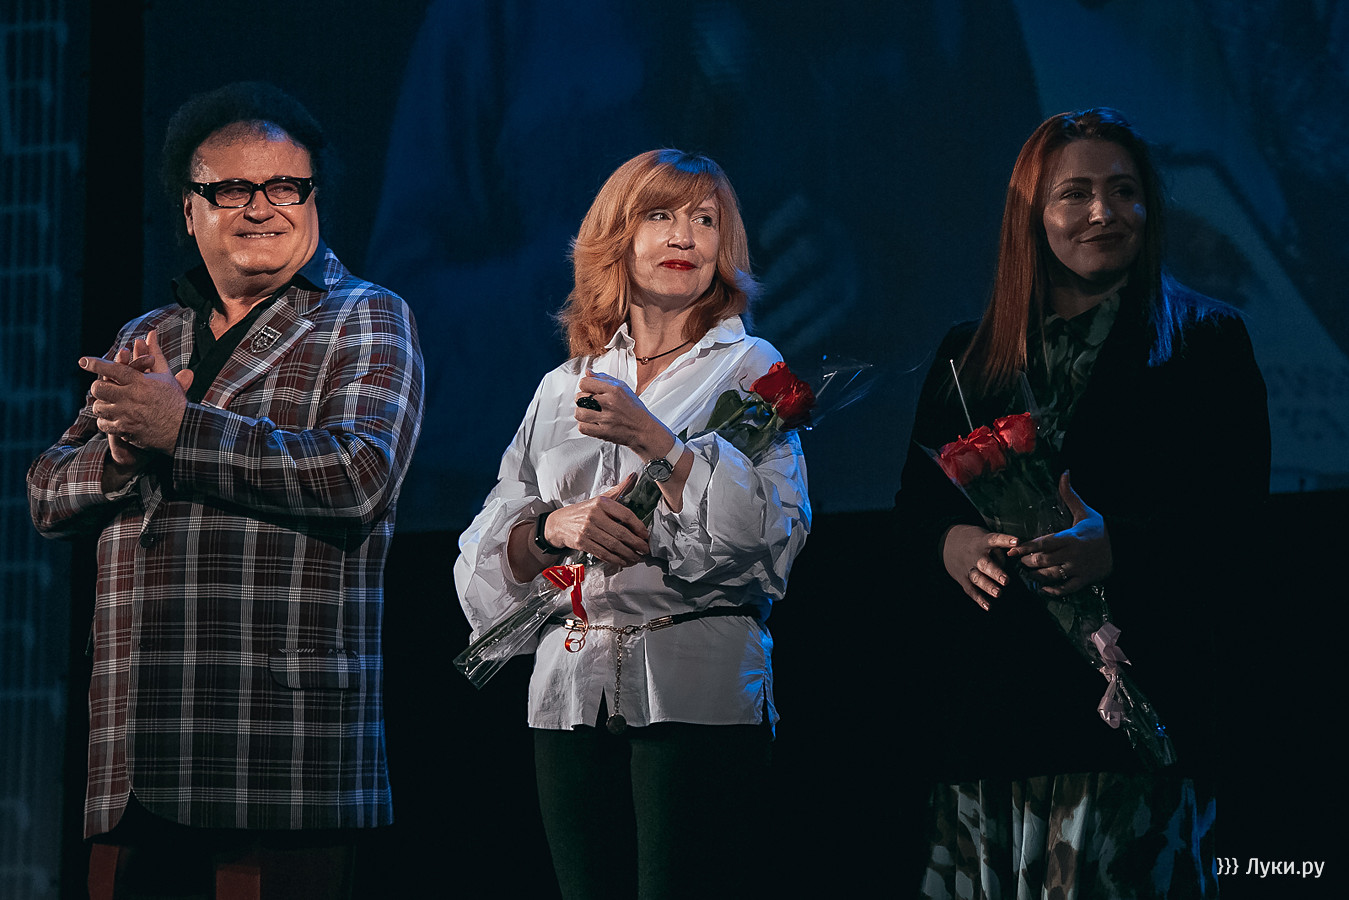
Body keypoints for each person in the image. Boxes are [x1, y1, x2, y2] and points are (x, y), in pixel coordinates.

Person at [28, 82, 424, 899]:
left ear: (312, 198)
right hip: (137, 739)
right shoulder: (150, 335)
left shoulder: (364, 316)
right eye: (233, 189)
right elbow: (47, 492)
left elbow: (357, 476)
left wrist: (179, 430)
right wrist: (122, 458)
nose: (262, 208)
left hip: (277, 735)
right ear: (189, 210)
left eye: (286, 186)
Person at [893, 108, 1269, 898]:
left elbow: (1238, 526)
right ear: (1032, 215)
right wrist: (947, 544)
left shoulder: (1204, 341)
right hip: (993, 722)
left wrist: (1117, 547)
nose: (1103, 212)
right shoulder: (968, 355)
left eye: (1123, 191)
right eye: (1075, 194)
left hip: (1134, 723)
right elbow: (912, 514)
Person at [455, 149, 810, 899]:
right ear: (618, 236)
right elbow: (494, 534)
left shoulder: (749, 368)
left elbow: (769, 536)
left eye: (705, 220)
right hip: (569, 692)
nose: (684, 236)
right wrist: (555, 528)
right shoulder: (564, 384)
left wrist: (659, 442)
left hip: (695, 686)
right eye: (660, 215)